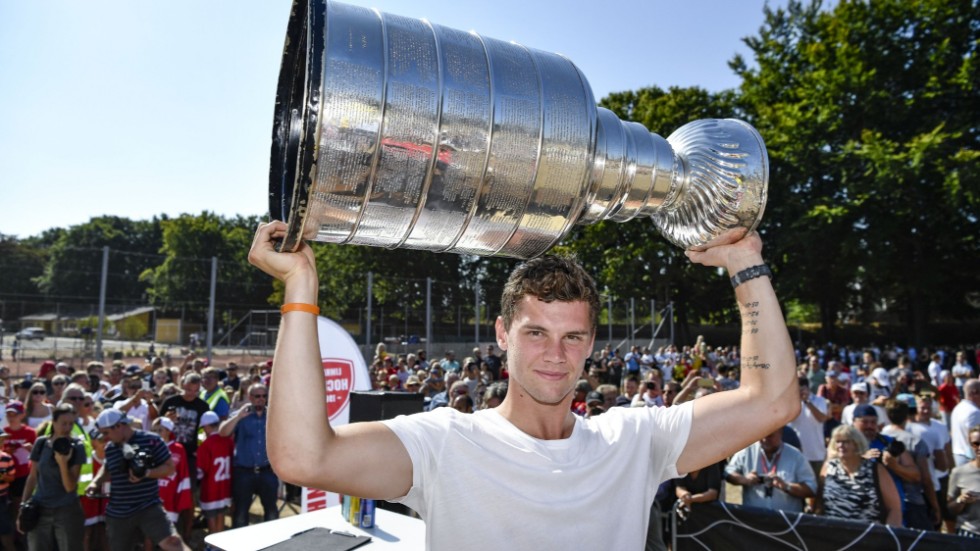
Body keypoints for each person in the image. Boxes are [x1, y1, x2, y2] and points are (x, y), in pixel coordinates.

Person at [248, 221, 798, 549]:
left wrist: (745, 264)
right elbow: (302, 457)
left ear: (591, 343)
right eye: (536, 333)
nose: (555, 355)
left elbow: (772, 401)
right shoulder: (443, 443)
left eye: (572, 336)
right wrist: (301, 287)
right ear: (502, 335)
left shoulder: (634, 439)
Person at [86, 408, 189, 551]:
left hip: (148, 506)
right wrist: (95, 482)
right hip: (119, 512)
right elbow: (108, 467)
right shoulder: (111, 447)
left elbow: (170, 468)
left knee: (173, 542)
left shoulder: (152, 440)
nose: (105, 437)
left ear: (119, 426)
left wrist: (146, 473)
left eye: (106, 433)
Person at [20, 403, 85, 551]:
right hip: (40, 508)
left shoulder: (77, 446)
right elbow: (32, 478)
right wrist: (23, 508)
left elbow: (70, 487)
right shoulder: (41, 443)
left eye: (71, 424)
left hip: (66, 509)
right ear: (54, 422)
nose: (67, 428)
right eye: (63, 424)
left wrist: (62, 463)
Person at [818, 424, 902, 527]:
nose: (841, 445)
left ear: (857, 444)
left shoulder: (875, 470)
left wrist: (889, 535)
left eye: (846, 441)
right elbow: (819, 503)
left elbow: (894, 509)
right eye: (838, 441)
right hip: (834, 535)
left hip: (869, 536)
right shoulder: (828, 468)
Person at [218, 383, 278, 528]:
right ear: (250, 397)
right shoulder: (241, 414)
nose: (261, 399)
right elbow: (222, 432)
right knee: (240, 513)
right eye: (257, 396)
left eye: (264, 396)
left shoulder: (272, 415)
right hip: (243, 472)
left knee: (272, 512)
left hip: (267, 471)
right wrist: (238, 417)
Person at [725, 427, 816, 513]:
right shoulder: (747, 451)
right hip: (753, 520)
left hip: (786, 521)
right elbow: (728, 472)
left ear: (780, 432)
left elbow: (811, 489)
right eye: (761, 435)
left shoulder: (795, 456)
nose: (764, 439)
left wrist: (786, 486)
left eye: (770, 436)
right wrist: (744, 479)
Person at [196, 411, 233, 535]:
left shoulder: (206, 445)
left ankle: (212, 546)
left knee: (211, 516)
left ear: (207, 426)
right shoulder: (228, 441)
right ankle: (219, 544)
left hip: (210, 488)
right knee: (221, 514)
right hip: (224, 486)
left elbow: (201, 471)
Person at [789, 375, 830, 477]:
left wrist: (807, 402)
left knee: (817, 489)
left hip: (816, 454)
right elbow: (789, 419)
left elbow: (821, 418)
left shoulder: (820, 400)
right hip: (795, 454)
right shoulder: (789, 402)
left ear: (807, 387)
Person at [947, 425, 980, 537]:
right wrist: (961, 500)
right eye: (976, 444)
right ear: (970, 445)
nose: (979, 448)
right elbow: (949, 509)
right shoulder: (959, 472)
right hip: (969, 533)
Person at [951, 379, 980, 466]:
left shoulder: (958, 408)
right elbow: (976, 439)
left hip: (958, 455)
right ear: (974, 393)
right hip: (970, 459)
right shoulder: (974, 412)